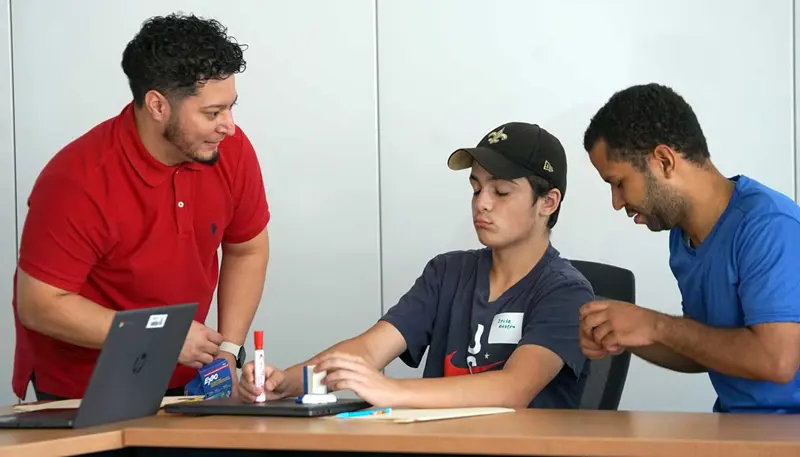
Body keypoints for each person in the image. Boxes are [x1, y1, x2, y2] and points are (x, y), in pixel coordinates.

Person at [239, 122, 594, 409]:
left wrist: (389, 391)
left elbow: (514, 389)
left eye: (500, 192)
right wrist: (286, 382)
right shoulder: (448, 272)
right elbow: (368, 351)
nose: (482, 204)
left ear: (548, 202)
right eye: (475, 188)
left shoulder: (566, 291)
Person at [12, 13, 270, 401]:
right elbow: (40, 305)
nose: (229, 126)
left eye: (230, 107)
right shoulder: (77, 180)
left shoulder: (228, 150)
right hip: (84, 389)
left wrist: (227, 353)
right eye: (212, 113)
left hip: (190, 377)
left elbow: (247, 247)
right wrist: (160, 336)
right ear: (157, 105)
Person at [580, 82, 800, 413]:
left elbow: (777, 361)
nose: (616, 202)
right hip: (733, 431)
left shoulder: (770, 226)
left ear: (664, 161)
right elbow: (703, 345)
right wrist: (622, 332)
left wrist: (653, 324)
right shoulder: (681, 238)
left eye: (619, 183)